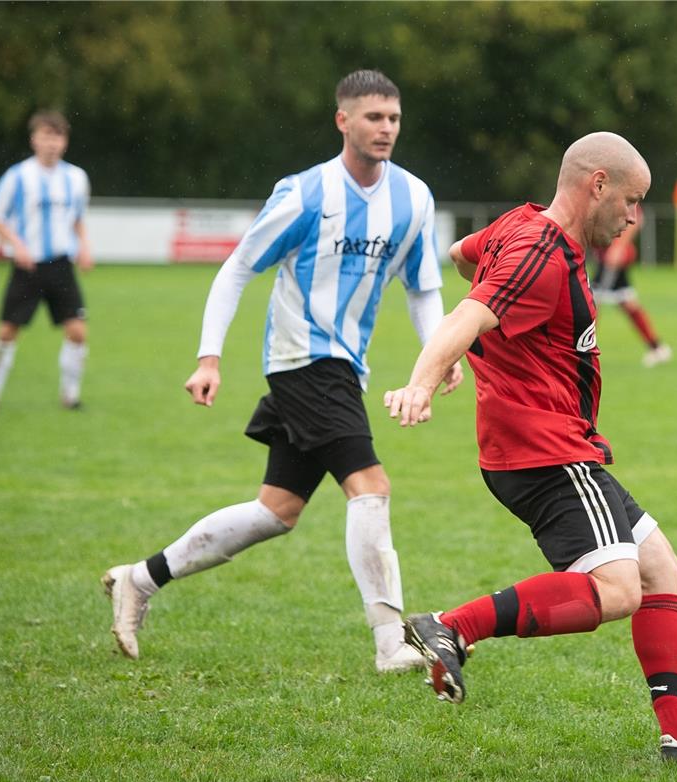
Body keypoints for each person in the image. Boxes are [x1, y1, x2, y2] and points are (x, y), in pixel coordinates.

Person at [101, 69, 463, 673]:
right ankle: (391, 642)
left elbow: (424, 289)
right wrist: (208, 356)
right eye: (373, 117)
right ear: (342, 120)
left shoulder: (413, 199)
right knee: (370, 486)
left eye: (394, 118)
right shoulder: (305, 194)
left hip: (345, 369)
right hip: (303, 361)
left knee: (277, 510)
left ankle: (139, 579)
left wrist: (439, 353)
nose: (386, 128)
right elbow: (238, 268)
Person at [384, 132, 677, 760]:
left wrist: (485, 343)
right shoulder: (538, 256)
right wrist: (423, 381)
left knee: (658, 567)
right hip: (547, 450)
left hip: (546, 447)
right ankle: (452, 627)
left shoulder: (521, 224)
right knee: (621, 589)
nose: (633, 216)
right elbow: (466, 312)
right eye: (630, 199)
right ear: (598, 184)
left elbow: (463, 257)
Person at [0, 110, 94, 411]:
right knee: (7, 331)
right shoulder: (18, 176)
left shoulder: (76, 178)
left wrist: (84, 246)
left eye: (57, 136)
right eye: (45, 136)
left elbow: (77, 218)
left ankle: (71, 394)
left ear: (65, 141)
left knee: (78, 331)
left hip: (61, 265)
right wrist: (17, 244)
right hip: (27, 267)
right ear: (34, 140)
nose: (51, 143)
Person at [590, 205, 672, 367]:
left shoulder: (619, 192)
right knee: (626, 303)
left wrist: (619, 247)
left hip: (612, 261)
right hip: (606, 259)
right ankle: (657, 347)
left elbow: (637, 216)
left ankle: (581, 351)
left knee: (591, 305)